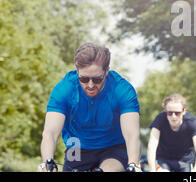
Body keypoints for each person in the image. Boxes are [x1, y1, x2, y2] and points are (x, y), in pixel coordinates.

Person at [39, 43, 141, 172]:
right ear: (77, 71)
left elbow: (132, 134)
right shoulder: (64, 89)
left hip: (113, 146)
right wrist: (47, 163)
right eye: (84, 79)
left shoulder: (122, 90)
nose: (90, 85)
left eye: (97, 79)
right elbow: (50, 133)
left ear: (107, 71)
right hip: (76, 145)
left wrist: (134, 164)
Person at [147, 93, 196, 172]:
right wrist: (152, 170)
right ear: (165, 111)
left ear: (183, 111)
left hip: (184, 161)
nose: (173, 116)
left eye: (177, 113)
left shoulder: (192, 122)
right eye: (170, 113)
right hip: (163, 159)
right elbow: (152, 147)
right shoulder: (160, 119)